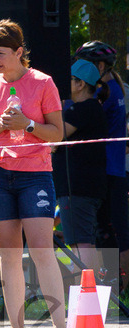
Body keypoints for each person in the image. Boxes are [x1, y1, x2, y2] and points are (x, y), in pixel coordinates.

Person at [0, 19, 70, 328]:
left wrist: (27, 123)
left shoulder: (42, 82)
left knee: (42, 250)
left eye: (0, 53)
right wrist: (0, 125)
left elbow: (56, 133)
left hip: (34, 174)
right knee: (8, 256)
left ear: (19, 52)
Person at [74, 40, 129, 293]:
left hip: (105, 170)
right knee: (113, 229)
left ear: (99, 65)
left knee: (110, 231)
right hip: (113, 168)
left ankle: (117, 290)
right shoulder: (115, 87)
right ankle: (117, 289)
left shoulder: (102, 92)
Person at [53, 59, 108, 278]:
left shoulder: (81, 109)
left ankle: (86, 296)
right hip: (84, 188)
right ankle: (91, 295)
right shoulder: (90, 109)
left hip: (77, 189)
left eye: (69, 80)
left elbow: (53, 140)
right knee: (82, 241)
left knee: (79, 243)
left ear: (80, 84)